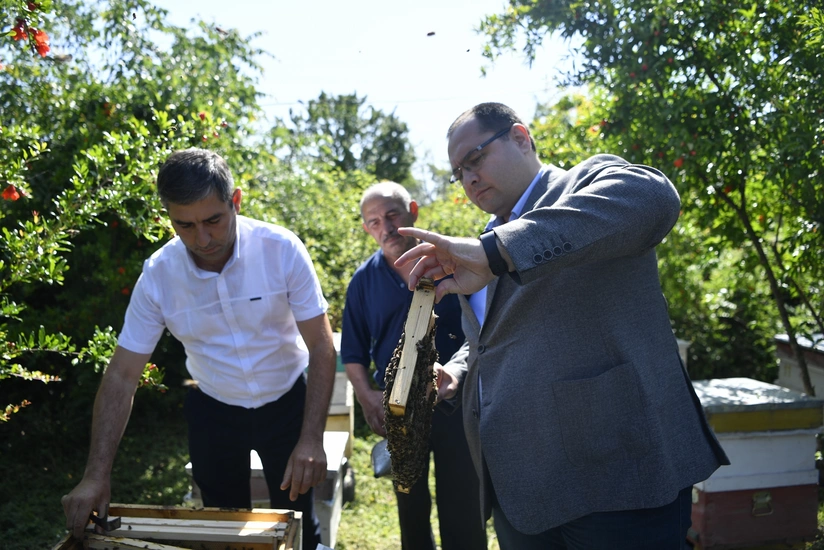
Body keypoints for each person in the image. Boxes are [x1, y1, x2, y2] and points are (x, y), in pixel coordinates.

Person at [394, 102, 730, 550]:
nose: (469, 178)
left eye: (475, 159)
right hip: (521, 490)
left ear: (520, 136)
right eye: (459, 172)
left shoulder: (586, 183)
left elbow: (655, 198)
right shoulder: (482, 243)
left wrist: (496, 252)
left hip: (617, 478)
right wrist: (455, 371)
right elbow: (492, 338)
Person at [61, 148, 336, 548]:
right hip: (214, 411)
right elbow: (122, 376)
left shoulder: (281, 249)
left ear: (235, 201)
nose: (202, 239)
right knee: (224, 529)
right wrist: (95, 474)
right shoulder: (159, 275)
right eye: (184, 225)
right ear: (168, 217)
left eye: (213, 220)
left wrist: (312, 438)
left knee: (297, 521)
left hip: (287, 404)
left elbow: (322, 346)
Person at [340, 181, 487, 550]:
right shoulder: (363, 282)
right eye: (374, 222)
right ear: (365, 229)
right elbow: (353, 352)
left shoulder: (453, 262)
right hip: (399, 411)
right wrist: (368, 397)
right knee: (410, 503)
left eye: (392, 216)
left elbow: (483, 329)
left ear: (413, 212)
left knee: (463, 504)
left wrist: (454, 372)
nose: (385, 228)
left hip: (454, 402)